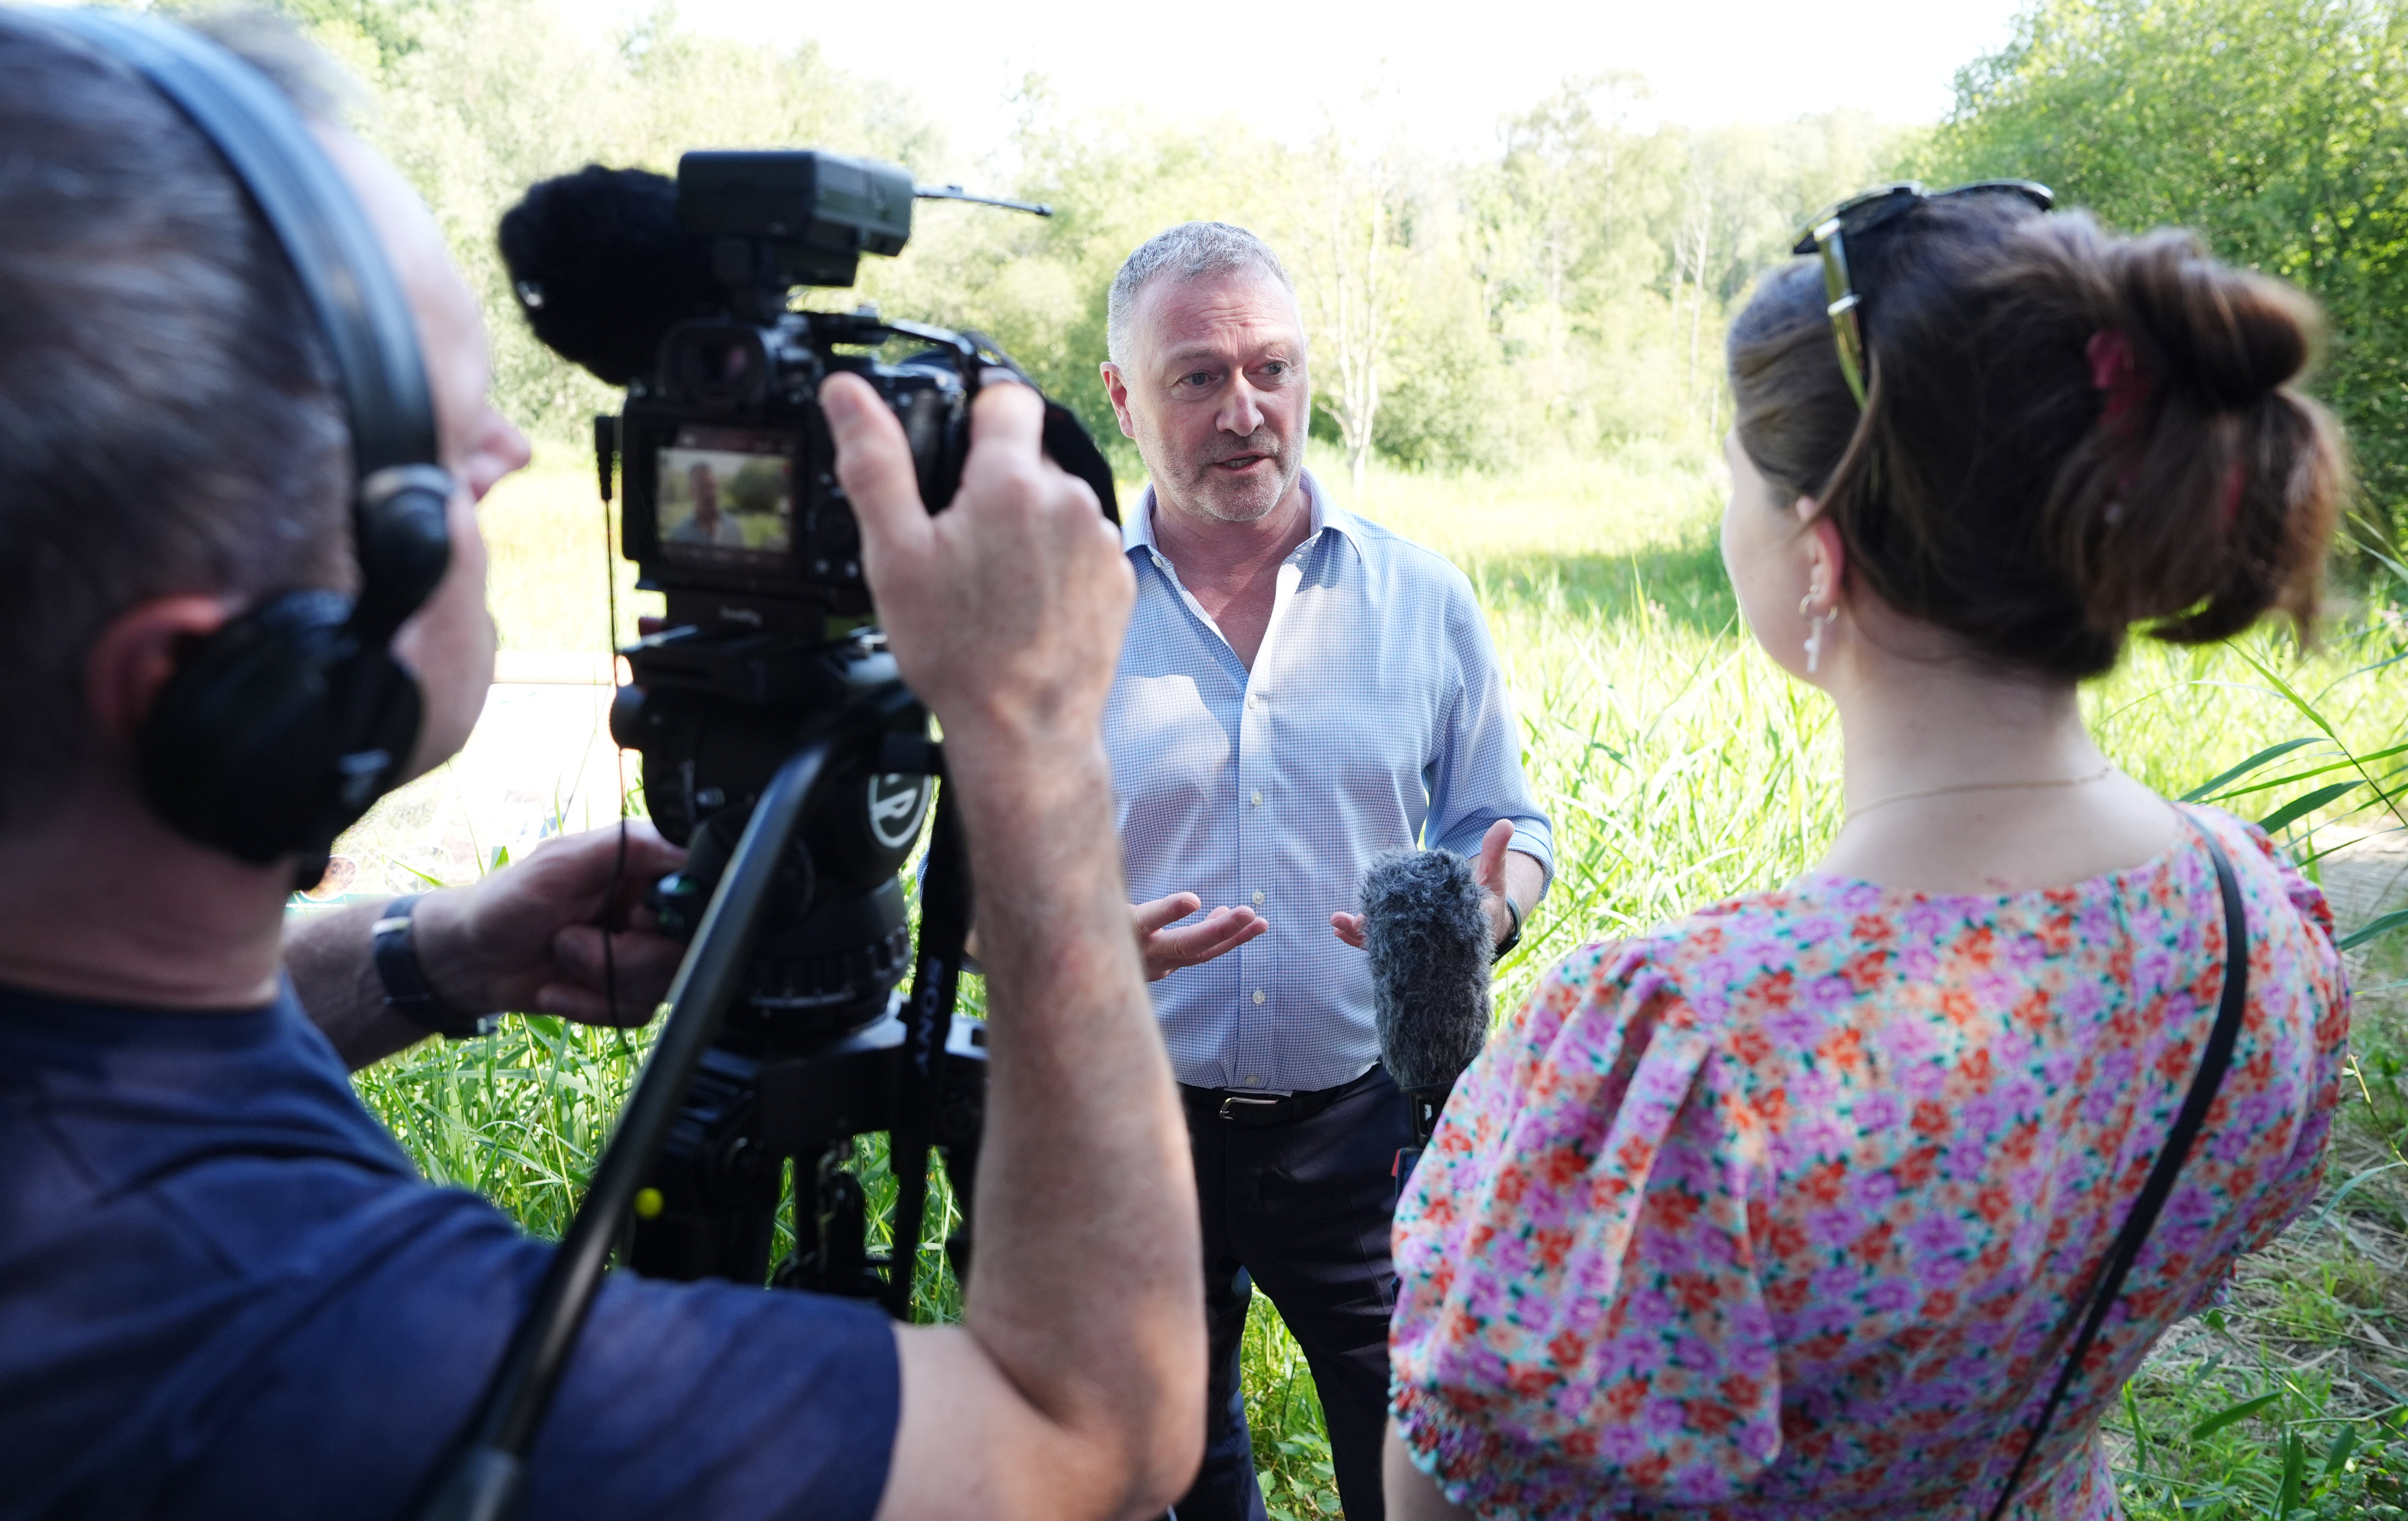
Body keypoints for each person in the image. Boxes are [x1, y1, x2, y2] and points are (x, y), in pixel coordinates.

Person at [0, 13, 1201, 1521]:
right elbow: (1087, 1428)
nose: (509, 448)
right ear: (219, 681)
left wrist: (424, 957)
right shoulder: (297, 1332)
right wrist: (1024, 736)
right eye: (434, 454)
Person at [1383, 185, 2350, 1520]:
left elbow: (1453, 1495)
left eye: (1737, 475)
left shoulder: (1682, 1040)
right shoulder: (2258, 922)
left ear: (1818, 549)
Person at [1095, 222, 1554, 1521]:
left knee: (1413, 1456)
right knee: (1180, 1463)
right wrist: (1071, 941)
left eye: (1273, 369)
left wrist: (1489, 912)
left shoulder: (1420, 598)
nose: (1245, 412)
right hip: (1134, 1132)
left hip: (1369, 1129)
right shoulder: (1060, 607)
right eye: (1197, 377)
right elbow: (975, 885)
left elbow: (1502, 820)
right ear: (1125, 397)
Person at [666, 460, 747, 547]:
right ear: (691, 490)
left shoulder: (733, 527)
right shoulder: (679, 534)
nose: (710, 493)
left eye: (713, 486)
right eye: (703, 487)